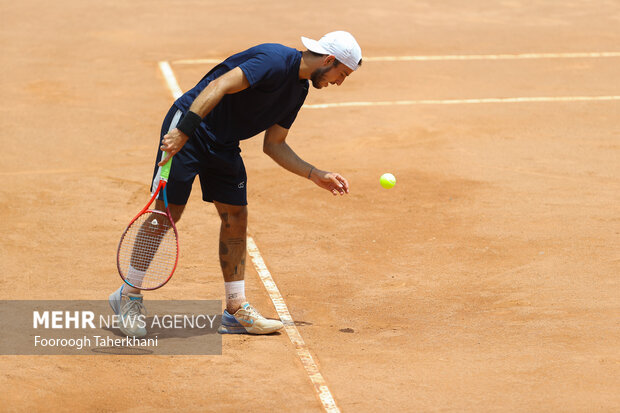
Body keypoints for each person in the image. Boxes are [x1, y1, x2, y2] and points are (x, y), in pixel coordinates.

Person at [109, 31, 363, 337]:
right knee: (168, 213)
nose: (339, 82)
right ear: (329, 60)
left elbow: (275, 145)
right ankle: (128, 296)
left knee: (236, 216)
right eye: (342, 73)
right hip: (191, 128)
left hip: (224, 142)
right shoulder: (274, 60)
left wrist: (315, 173)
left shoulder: (298, 91)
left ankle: (235, 309)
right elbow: (220, 85)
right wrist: (183, 132)